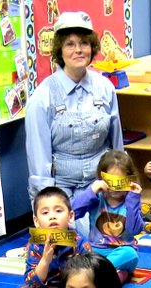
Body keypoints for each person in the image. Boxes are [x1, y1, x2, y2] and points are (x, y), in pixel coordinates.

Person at [25, 10, 123, 226]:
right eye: (70, 44)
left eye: (84, 43)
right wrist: (47, 208)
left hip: (101, 185)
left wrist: (119, 186)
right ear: (60, 49)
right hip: (62, 191)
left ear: (92, 48)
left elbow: (117, 148)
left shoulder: (105, 88)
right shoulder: (43, 97)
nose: (78, 50)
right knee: (76, 246)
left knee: (111, 241)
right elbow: (39, 159)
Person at [72, 149, 144, 282]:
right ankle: (107, 276)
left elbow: (135, 230)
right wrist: (91, 192)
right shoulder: (97, 197)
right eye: (111, 182)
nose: (115, 188)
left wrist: (133, 200)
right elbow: (72, 213)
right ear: (101, 179)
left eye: (120, 182)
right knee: (76, 248)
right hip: (95, 250)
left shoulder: (131, 199)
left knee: (130, 254)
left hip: (121, 252)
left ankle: (94, 273)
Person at [14, 186, 92, 288]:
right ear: (36, 221)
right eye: (45, 213)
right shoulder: (35, 245)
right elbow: (31, 283)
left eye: (58, 211)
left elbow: (90, 277)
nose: (52, 216)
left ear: (70, 216)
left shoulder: (80, 242)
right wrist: (45, 260)